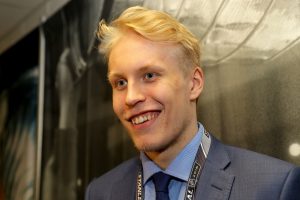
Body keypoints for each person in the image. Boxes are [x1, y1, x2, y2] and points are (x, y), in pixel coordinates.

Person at [85, 6, 300, 200]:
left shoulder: (273, 187)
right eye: (120, 82)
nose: (131, 97)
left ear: (194, 84)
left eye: (149, 76)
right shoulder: (101, 192)